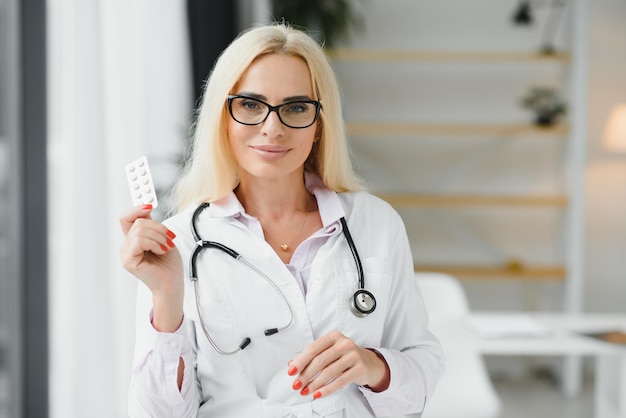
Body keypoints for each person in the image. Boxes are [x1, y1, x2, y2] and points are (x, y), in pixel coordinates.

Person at [120, 22, 444, 418]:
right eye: (251, 105)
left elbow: (421, 372)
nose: (272, 128)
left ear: (319, 125)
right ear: (224, 117)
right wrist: (167, 298)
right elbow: (156, 414)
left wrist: (373, 366)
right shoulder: (176, 243)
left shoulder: (376, 225)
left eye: (295, 108)